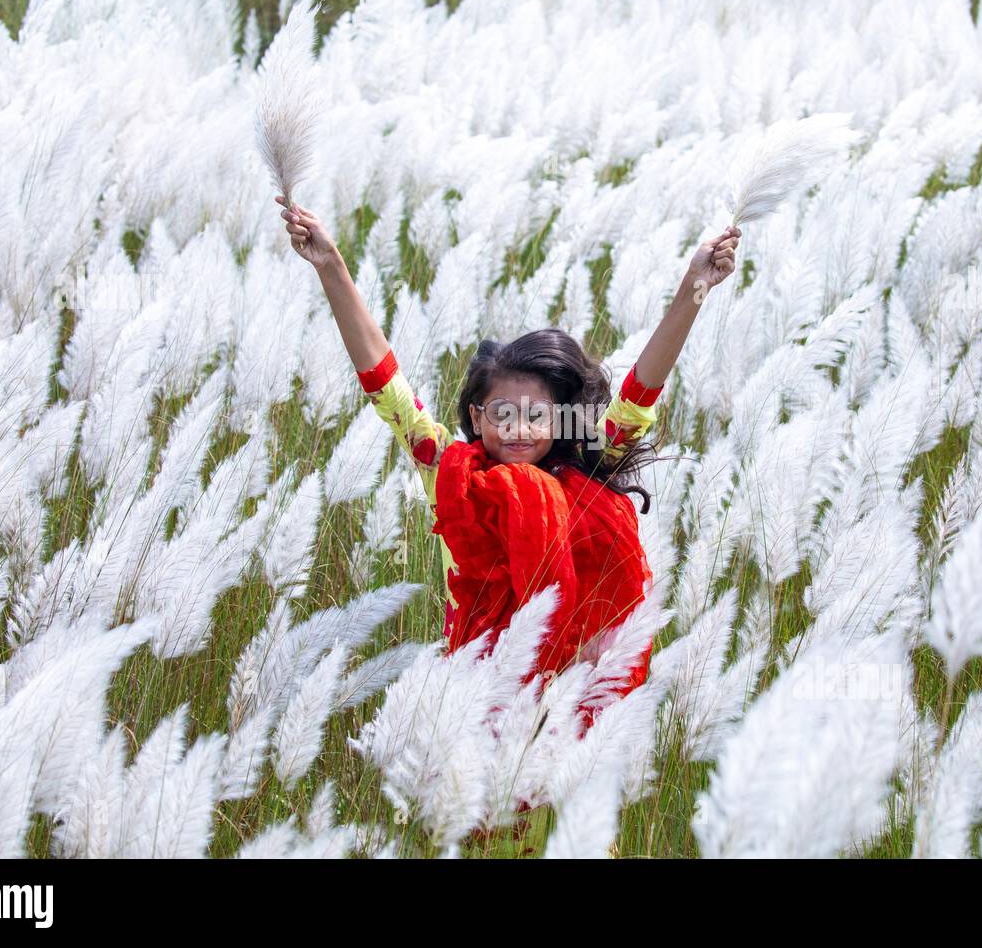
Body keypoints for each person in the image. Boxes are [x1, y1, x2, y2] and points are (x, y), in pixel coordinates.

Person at [275, 195, 740, 733]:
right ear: (477, 414)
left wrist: (692, 290)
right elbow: (387, 385)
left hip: (563, 718)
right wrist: (331, 266)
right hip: (469, 716)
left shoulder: (587, 469)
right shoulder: (452, 475)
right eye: (502, 413)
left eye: (536, 416)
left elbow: (640, 392)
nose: (518, 429)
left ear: (561, 419)